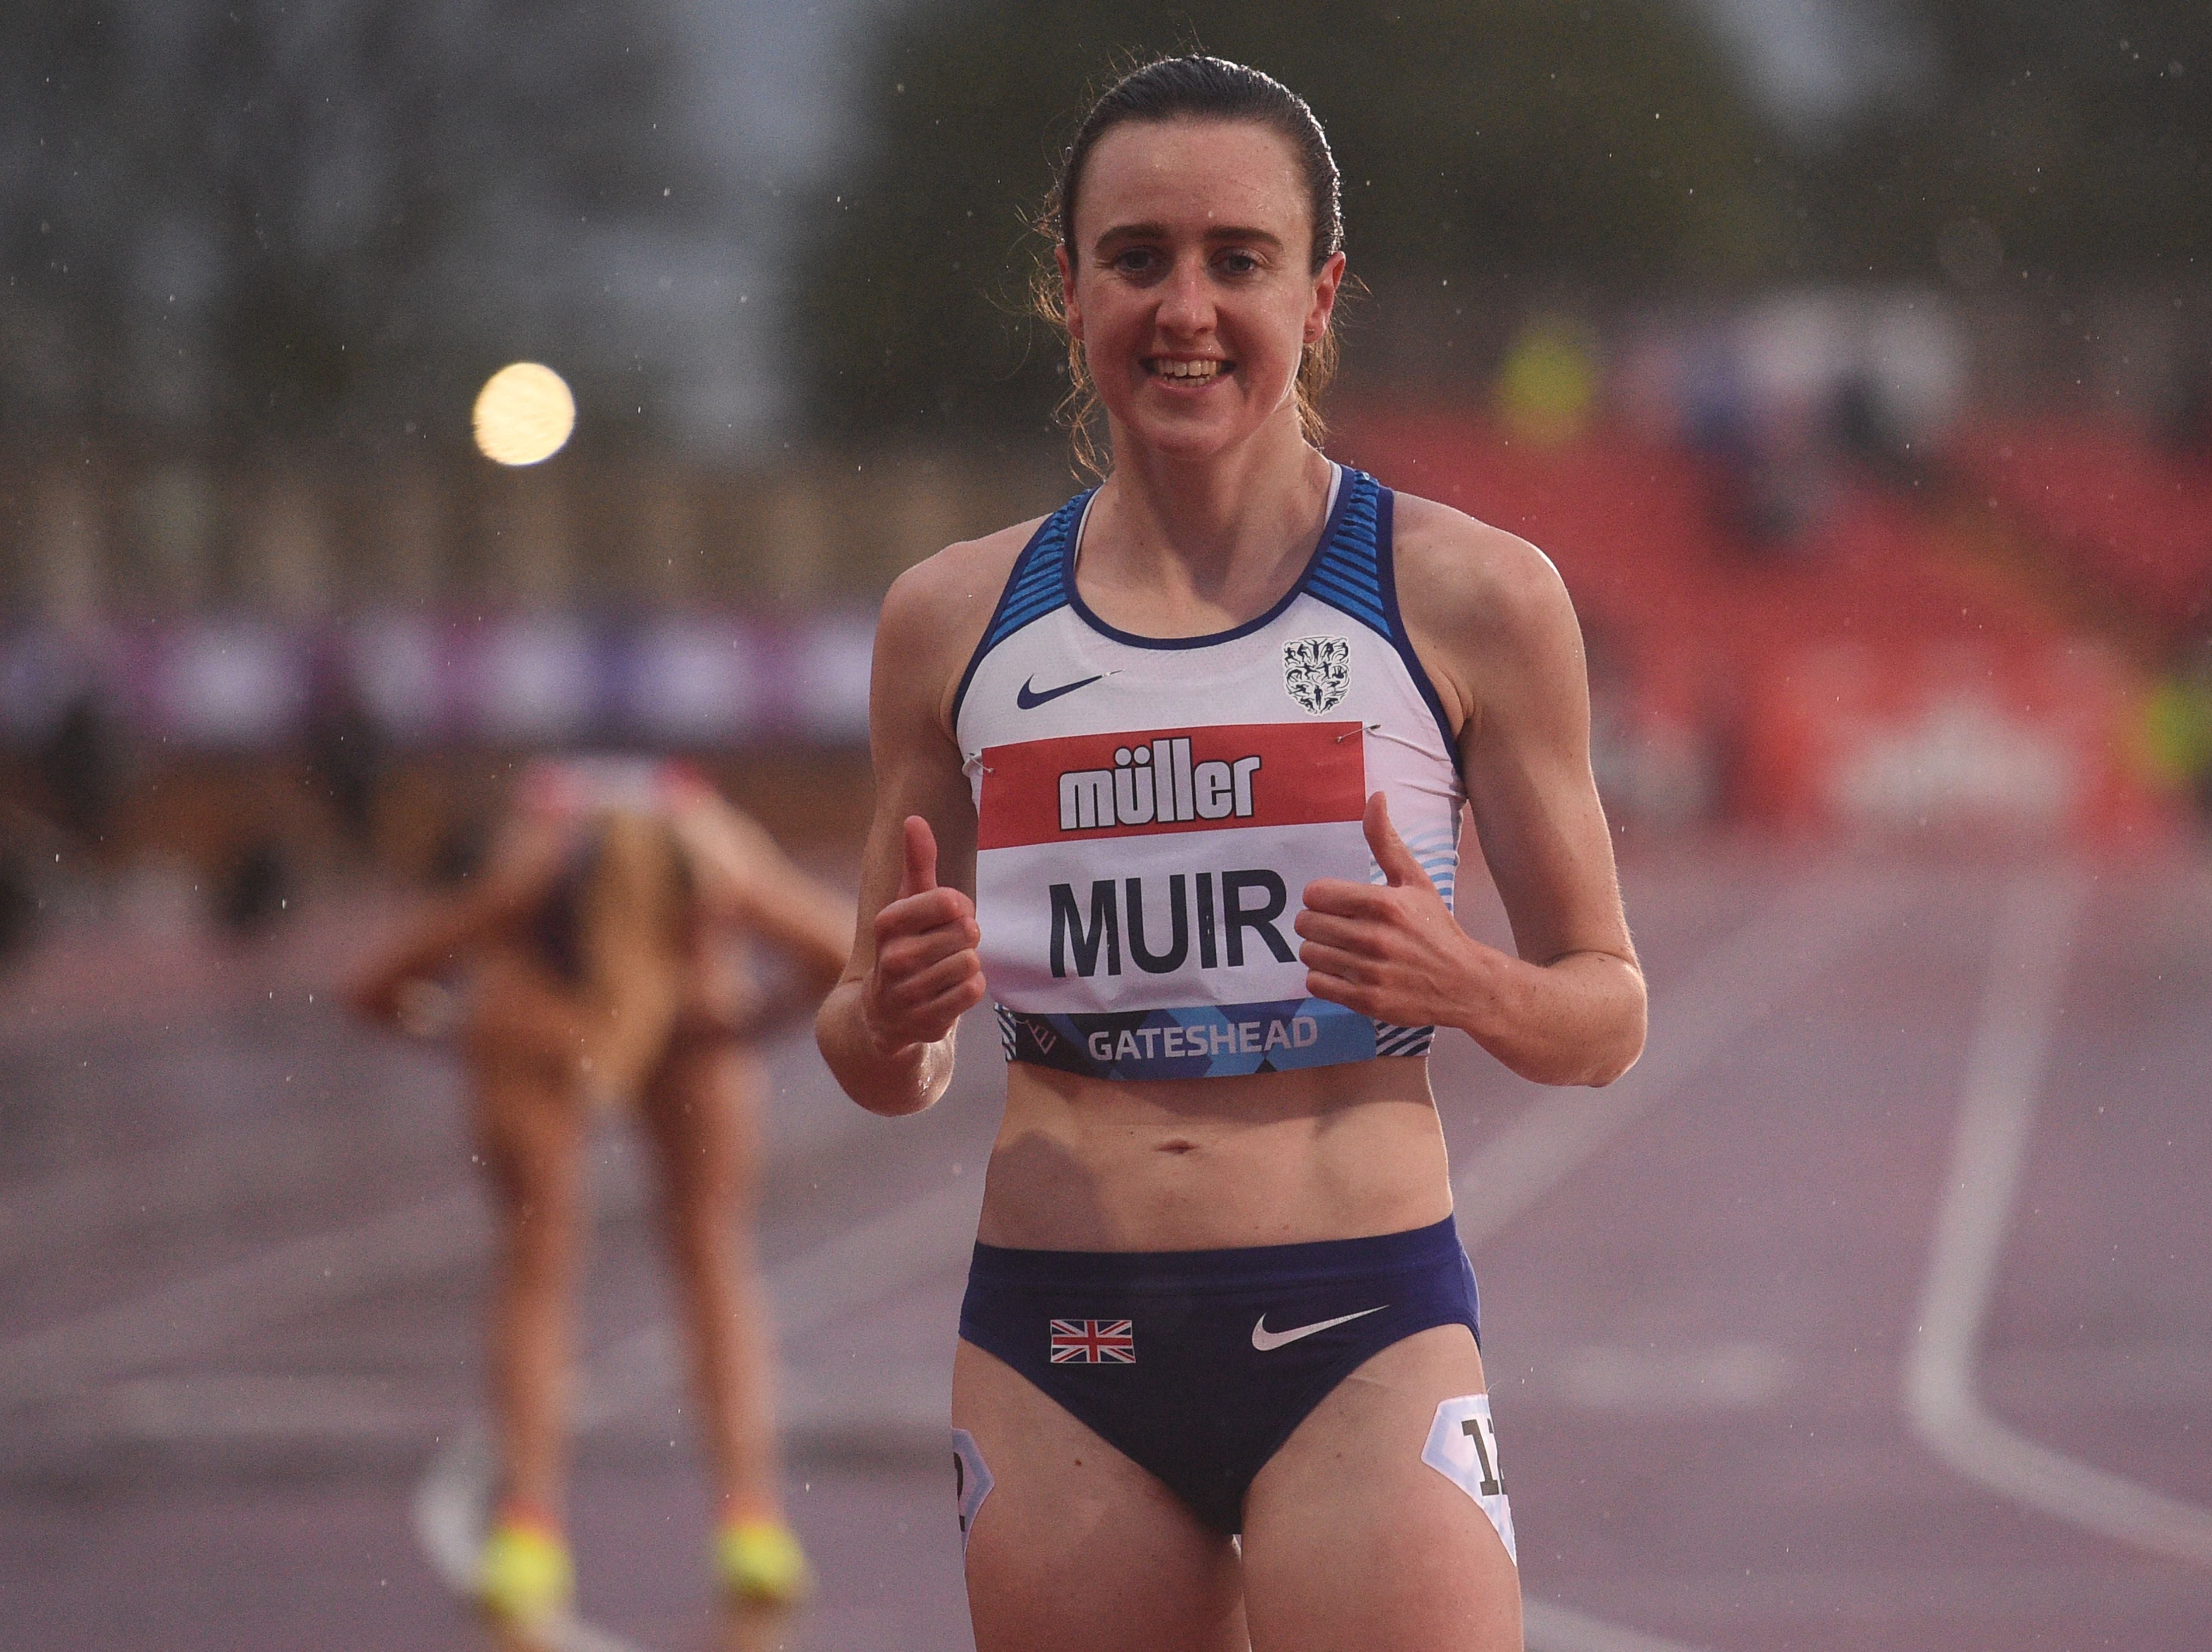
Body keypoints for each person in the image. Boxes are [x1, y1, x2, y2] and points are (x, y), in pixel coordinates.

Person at [815, 56, 1645, 1651]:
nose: (1184, 307)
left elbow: (1608, 1011)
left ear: (1321, 293)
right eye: (1137, 259)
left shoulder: (1472, 596)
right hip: (1060, 1350)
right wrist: (897, 1016)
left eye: (1236, 260)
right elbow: (875, 1052)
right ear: (1070, 291)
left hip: (1362, 1326)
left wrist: (1470, 985)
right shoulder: (953, 619)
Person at [348, 758, 854, 1629]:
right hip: (552, 1018)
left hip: (661, 1022)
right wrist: (490, 1034)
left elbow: (380, 990)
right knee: (663, 1257)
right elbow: (376, 988)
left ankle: (603, 1525)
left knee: (592, 1261)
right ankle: (721, 1521)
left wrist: (733, 1023)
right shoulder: (533, 884)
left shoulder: (710, 869)